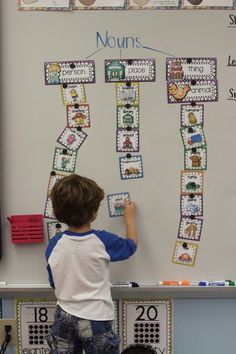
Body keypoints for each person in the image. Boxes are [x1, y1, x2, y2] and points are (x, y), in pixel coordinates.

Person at [45, 174, 138, 354]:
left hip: (64, 315)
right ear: (93, 213)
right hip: (96, 318)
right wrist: (130, 219)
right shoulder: (102, 240)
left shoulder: (54, 244)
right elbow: (130, 247)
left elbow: (53, 281)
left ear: (58, 212)